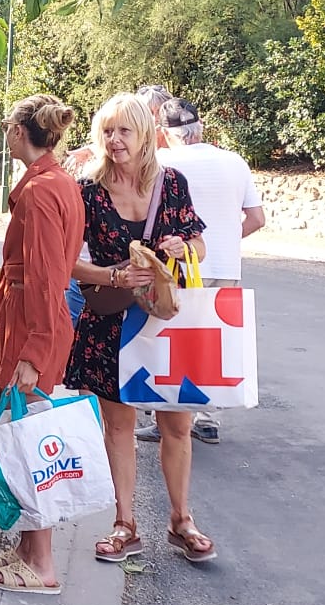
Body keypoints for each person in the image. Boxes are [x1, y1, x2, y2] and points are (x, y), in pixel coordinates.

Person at [64, 93, 218, 564]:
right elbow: (68, 264)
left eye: (124, 131)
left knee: (176, 424)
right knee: (119, 427)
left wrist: (182, 245)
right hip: (111, 321)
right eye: (107, 131)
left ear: (145, 134)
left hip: (168, 324)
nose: (114, 140)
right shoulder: (87, 192)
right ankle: (124, 523)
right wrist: (114, 275)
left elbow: (200, 246)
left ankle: (181, 519)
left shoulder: (172, 184)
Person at [0, 96, 86, 595]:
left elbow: (47, 280)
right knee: (26, 434)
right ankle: (27, 549)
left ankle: (42, 563)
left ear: (21, 132)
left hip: (35, 324)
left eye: (8, 126)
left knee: (30, 443)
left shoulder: (43, 192)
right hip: (29, 319)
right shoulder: (58, 182)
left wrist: (35, 351)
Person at [139, 97, 265, 444]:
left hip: (176, 266)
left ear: (163, 133)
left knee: (173, 342)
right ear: (201, 126)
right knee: (213, 343)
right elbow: (257, 219)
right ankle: (209, 420)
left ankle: (167, 416)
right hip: (224, 264)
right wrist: (225, 240)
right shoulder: (235, 162)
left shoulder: (162, 163)